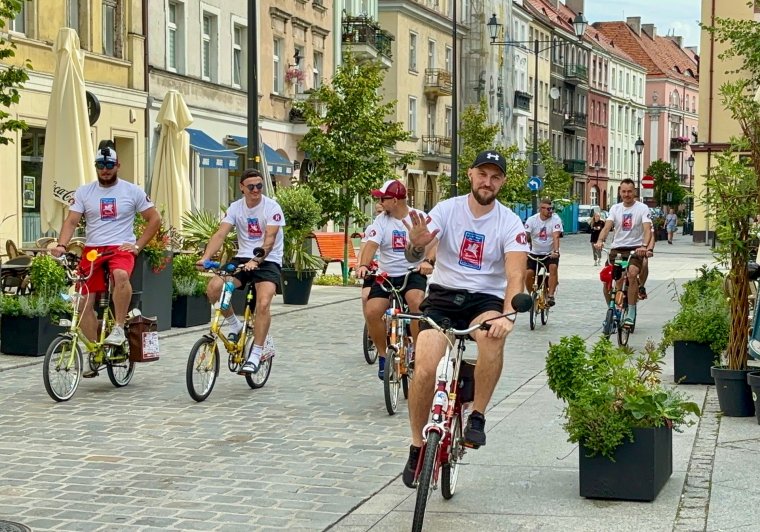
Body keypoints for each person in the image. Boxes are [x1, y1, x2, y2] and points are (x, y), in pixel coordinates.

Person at [400, 150, 528, 488]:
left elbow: (515, 275)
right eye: (482, 174)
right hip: (443, 295)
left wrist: (508, 315)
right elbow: (419, 248)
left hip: (485, 299)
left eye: (495, 176)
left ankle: (478, 416)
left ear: (502, 182)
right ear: (471, 175)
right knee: (425, 365)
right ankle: (416, 446)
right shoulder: (446, 210)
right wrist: (415, 247)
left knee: (491, 336)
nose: (488, 182)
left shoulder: (509, 222)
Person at [51, 142, 161, 375]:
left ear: (118, 165)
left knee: (120, 275)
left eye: (109, 165)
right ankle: (95, 350)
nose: (105, 169)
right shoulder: (84, 192)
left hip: (120, 248)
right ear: (96, 166)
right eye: (101, 165)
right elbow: (71, 221)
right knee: (81, 303)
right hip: (92, 250)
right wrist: (61, 245)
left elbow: (155, 219)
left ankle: (119, 327)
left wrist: (138, 246)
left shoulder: (132, 191)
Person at [197, 168, 285, 374]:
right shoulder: (236, 208)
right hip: (243, 258)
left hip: (268, 259)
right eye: (251, 186)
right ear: (242, 188)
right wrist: (206, 258)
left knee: (263, 303)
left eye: (259, 186)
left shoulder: (272, 207)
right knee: (214, 289)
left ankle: (256, 353)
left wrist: (257, 260)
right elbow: (220, 234)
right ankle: (235, 325)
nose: (256, 190)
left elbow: (270, 239)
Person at [356, 181, 432, 381]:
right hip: (386, 275)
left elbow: (433, 241)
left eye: (383, 198)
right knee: (372, 311)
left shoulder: (418, 217)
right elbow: (371, 244)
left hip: (412, 272)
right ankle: (383, 356)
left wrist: (427, 261)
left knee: (416, 303)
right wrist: (364, 265)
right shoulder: (381, 220)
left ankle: (417, 352)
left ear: (395, 200)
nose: (379, 202)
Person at [594, 178, 653, 327]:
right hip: (617, 249)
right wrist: (600, 241)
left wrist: (644, 246)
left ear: (634, 192)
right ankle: (612, 310)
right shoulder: (615, 208)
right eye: (624, 191)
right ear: (620, 192)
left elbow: (647, 229)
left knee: (632, 273)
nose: (626, 194)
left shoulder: (642, 208)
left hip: (635, 249)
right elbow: (607, 227)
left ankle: (631, 311)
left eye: (629, 191)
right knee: (610, 280)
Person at [523, 198, 562, 305]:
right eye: (548, 209)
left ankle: (550, 296)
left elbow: (556, 236)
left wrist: (556, 251)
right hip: (534, 252)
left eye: (551, 208)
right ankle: (532, 295)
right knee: (528, 273)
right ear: (541, 209)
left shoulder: (555, 219)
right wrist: (524, 250)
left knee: (553, 268)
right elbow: (525, 236)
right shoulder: (532, 220)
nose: (550, 211)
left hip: (550, 253)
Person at [358, 202, 385, 309]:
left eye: (381, 211)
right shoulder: (371, 228)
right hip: (373, 267)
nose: (379, 214)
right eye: (378, 211)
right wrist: (360, 265)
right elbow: (363, 249)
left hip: (388, 269)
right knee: (365, 296)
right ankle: (369, 324)